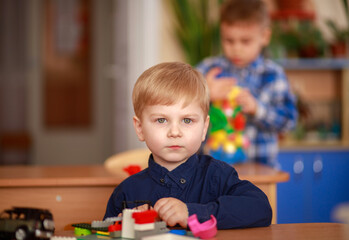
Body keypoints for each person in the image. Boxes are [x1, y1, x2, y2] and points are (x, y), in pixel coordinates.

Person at [104, 62, 272, 229]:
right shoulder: (126, 192)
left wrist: (192, 213)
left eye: (187, 120)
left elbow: (261, 209)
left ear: (204, 128)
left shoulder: (217, 176)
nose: (175, 132)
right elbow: (105, 233)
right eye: (161, 120)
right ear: (140, 128)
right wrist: (122, 227)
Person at [196, 0, 297, 167]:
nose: (236, 48)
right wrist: (205, 94)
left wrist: (258, 109)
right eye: (229, 40)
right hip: (210, 169)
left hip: (261, 170)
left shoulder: (273, 75)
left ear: (264, 37)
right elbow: (178, 104)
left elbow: (289, 121)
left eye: (245, 41)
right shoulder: (208, 69)